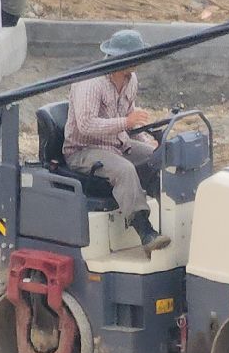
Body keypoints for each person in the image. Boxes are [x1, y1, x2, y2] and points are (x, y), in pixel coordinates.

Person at [65, 29, 169, 253]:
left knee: (156, 159)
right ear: (119, 57)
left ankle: (168, 213)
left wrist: (146, 141)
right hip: (84, 149)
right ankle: (145, 231)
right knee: (124, 170)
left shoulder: (131, 80)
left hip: (117, 143)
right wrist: (125, 123)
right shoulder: (90, 83)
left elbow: (130, 121)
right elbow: (86, 125)